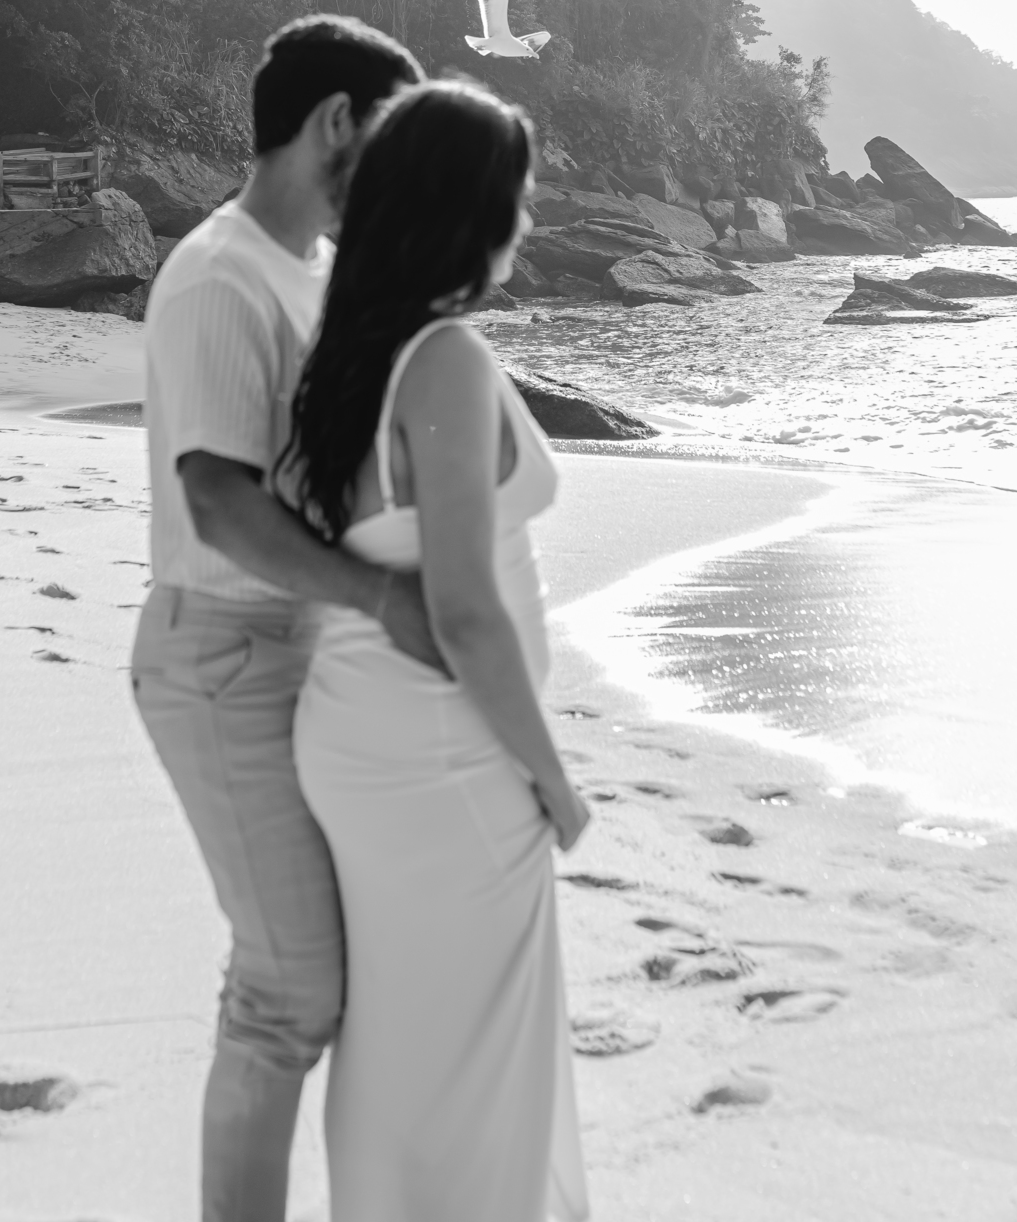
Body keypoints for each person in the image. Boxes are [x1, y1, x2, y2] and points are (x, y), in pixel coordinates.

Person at [131, 16, 439, 1222]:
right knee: (289, 989)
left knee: (335, 964)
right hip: (221, 658)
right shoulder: (220, 273)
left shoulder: (308, 268)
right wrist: (377, 595)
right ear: (336, 123)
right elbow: (219, 501)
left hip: (302, 652)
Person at [283, 81, 591, 1222]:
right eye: (518, 193)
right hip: (444, 754)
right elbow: (462, 609)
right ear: (471, 209)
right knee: (477, 1060)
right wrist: (552, 778)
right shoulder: (445, 359)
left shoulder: (345, 352)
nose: (527, 216)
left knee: (403, 1042)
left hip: (363, 735)